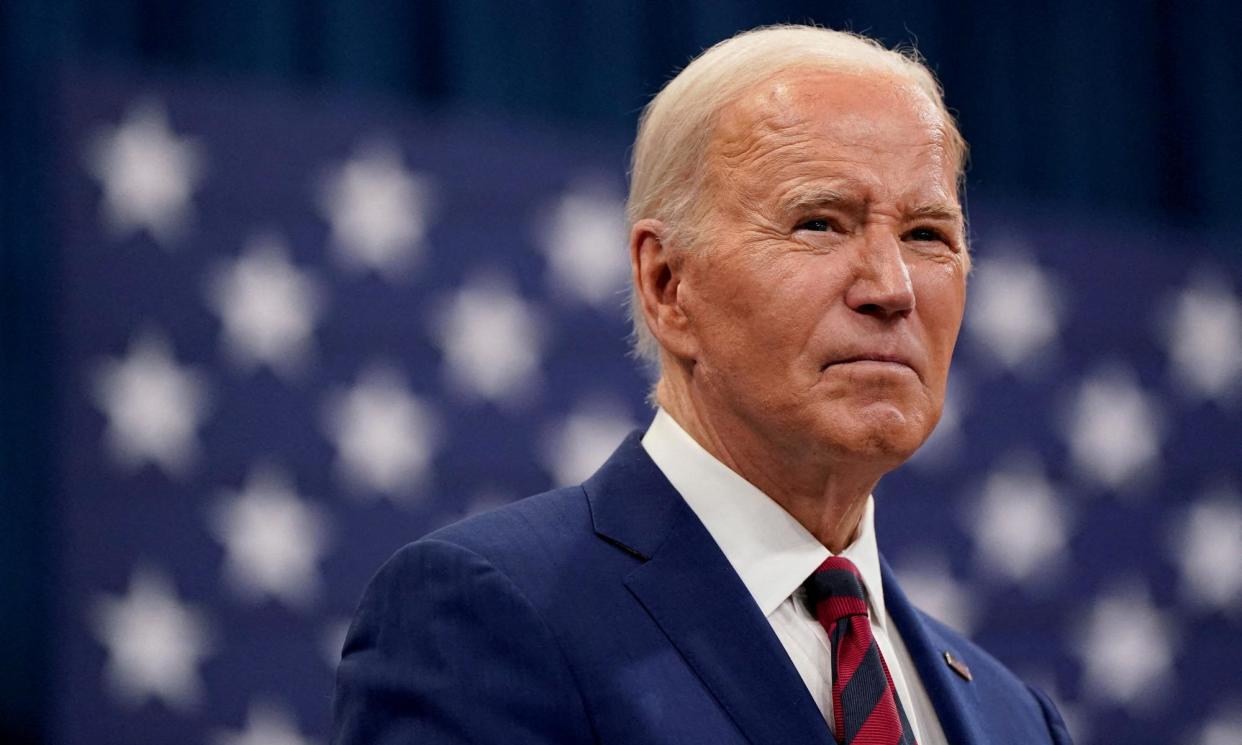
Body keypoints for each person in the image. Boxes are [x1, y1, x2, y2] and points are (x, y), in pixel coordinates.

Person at [333, 24, 1073, 745]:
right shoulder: (487, 616)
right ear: (668, 284)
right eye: (819, 222)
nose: (893, 287)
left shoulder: (1016, 717)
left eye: (927, 235)